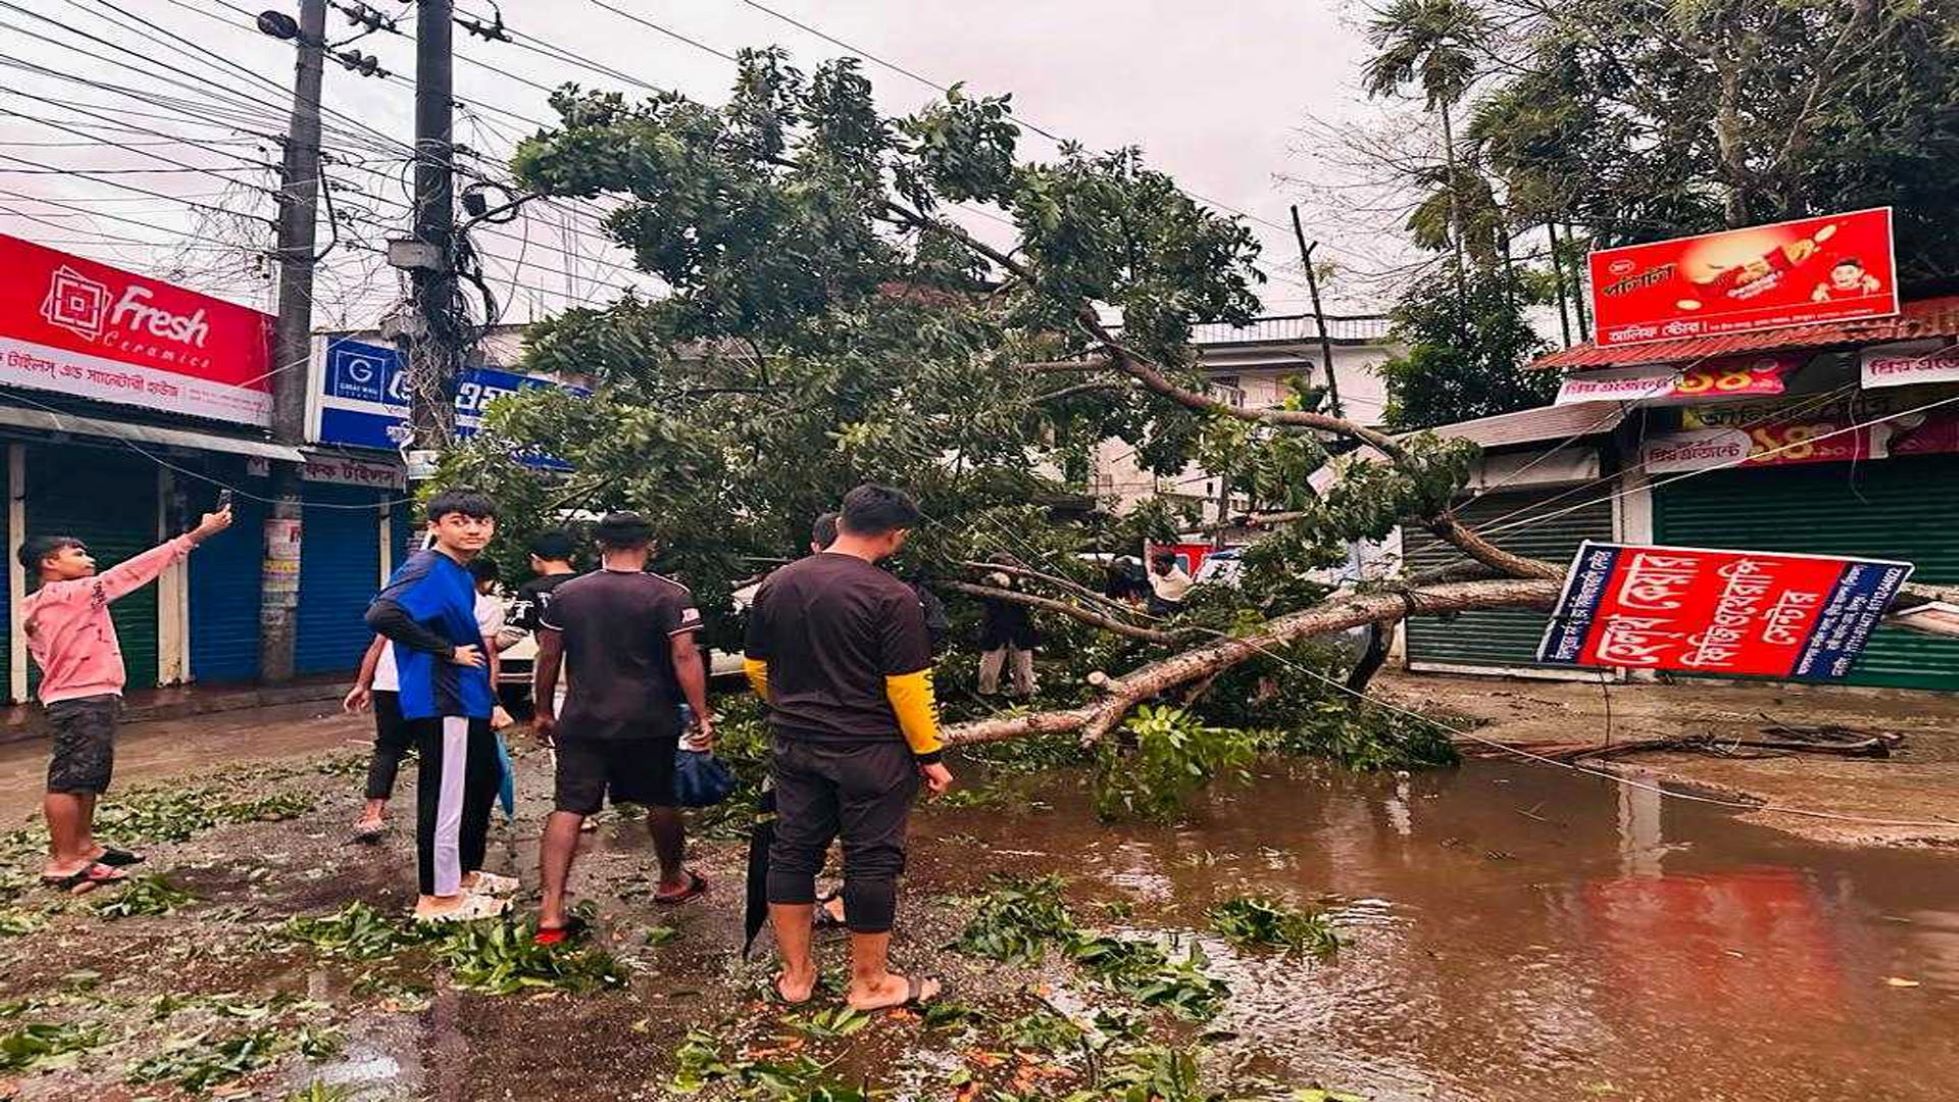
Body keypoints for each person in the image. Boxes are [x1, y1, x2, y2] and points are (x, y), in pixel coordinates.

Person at [745, 484, 954, 1010]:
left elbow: (755, 668)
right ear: (893, 535)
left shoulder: (778, 583)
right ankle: (871, 983)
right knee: (872, 860)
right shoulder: (891, 596)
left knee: (792, 851)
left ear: (841, 521)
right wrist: (929, 755)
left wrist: (792, 707)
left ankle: (796, 977)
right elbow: (906, 686)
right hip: (871, 751)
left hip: (795, 744)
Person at [22, 502, 234, 892]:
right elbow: (134, 571)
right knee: (69, 779)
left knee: (87, 776)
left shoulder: (39, 604)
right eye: (78, 554)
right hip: (80, 698)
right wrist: (198, 535)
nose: (90, 559)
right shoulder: (71, 594)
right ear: (50, 562)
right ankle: (64, 862)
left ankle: (85, 848)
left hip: (85, 695)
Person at [532, 511, 713, 944]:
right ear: (650, 544)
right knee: (660, 799)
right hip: (649, 718)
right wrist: (701, 714)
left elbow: (548, 656)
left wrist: (542, 711)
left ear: (599, 546)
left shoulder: (568, 594)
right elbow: (685, 657)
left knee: (569, 806)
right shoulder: (669, 595)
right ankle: (672, 880)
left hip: (583, 717)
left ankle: (551, 912)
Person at [363, 486, 512, 921]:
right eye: (459, 521)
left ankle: (464, 873)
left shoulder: (459, 573)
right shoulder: (426, 567)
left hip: (468, 697)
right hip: (441, 696)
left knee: (481, 782)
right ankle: (438, 896)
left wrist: (492, 699)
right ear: (436, 527)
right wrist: (444, 651)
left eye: (481, 521)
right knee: (446, 795)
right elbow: (381, 614)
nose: (472, 529)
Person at [343, 554, 511, 840]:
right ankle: (444, 833)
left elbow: (378, 643)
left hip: (389, 682)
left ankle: (372, 814)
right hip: (437, 689)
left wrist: (363, 683)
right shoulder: (483, 606)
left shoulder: (409, 595)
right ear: (488, 581)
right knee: (442, 760)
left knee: (388, 747)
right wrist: (491, 699)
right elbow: (487, 656)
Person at [976, 558, 1038, 698]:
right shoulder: (989, 581)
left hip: (1019, 631)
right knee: (989, 668)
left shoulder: (1021, 583)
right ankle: (987, 695)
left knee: (1023, 668)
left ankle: (1024, 694)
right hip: (996, 631)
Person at [1147, 550, 1193, 615]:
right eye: (1154, 563)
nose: (1155, 566)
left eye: (1159, 564)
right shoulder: (1156, 576)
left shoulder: (1184, 580)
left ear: (1169, 564)